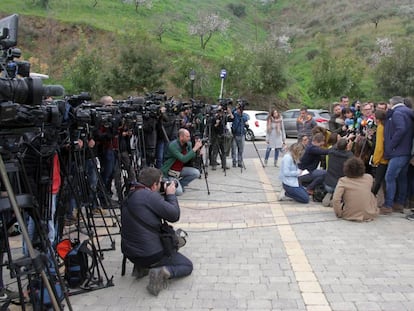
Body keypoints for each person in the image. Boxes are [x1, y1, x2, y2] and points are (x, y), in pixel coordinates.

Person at [121, 167, 193, 296]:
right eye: (160, 182)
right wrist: (170, 195)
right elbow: (174, 215)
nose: (161, 185)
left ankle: (141, 268)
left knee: (145, 234)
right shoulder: (149, 197)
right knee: (187, 266)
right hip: (149, 254)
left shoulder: (131, 192)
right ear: (154, 185)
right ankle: (161, 272)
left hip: (130, 253)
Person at [381, 96, 414, 215]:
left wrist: (391, 145)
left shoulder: (397, 113)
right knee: (402, 177)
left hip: (398, 152)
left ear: (391, 103)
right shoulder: (408, 113)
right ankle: (400, 203)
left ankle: (388, 205)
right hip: (407, 151)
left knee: (389, 177)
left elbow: (401, 129)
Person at [332, 157, 379, 222]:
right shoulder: (369, 178)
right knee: (371, 194)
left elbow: (336, 199)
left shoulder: (343, 181)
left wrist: (339, 213)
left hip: (349, 214)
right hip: (369, 213)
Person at [161, 128, 203, 195]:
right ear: (181, 137)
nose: (189, 138)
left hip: (180, 170)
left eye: (189, 136)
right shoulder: (173, 145)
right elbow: (183, 159)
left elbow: (192, 157)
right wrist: (194, 148)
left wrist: (197, 151)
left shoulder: (188, 144)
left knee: (196, 173)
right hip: (171, 172)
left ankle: (179, 184)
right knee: (179, 192)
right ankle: (170, 184)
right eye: (187, 136)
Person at [322, 138, 353, 206]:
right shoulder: (349, 155)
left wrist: (342, 140)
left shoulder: (331, 152)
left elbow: (334, 147)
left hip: (328, 184)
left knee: (331, 188)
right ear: (346, 146)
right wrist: (349, 148)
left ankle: (330, 193)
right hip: (340, 186)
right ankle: (336, 198)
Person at [229, 102, 249, 168]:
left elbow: (246, 123)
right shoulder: (235, 115)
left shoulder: (244, 116)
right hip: (234, 135)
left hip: (241, 134)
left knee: (241, 150)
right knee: (233, 150)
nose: (238, 110)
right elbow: (231, 114)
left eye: (239, 109)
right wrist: (236, 107)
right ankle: (234, 162)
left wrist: (247, 125)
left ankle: (240, 162)